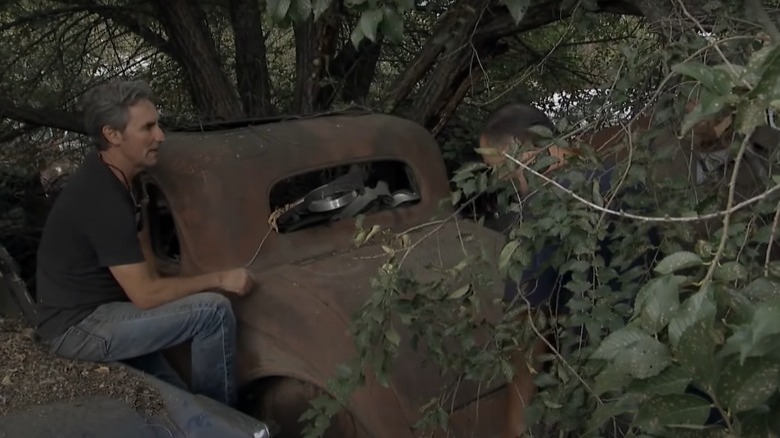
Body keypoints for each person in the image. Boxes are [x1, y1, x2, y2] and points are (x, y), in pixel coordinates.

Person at [34, 80, 255, 407]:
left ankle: (203, 420)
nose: (160, 136)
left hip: (105, 310)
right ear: (113, 134)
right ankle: (223, 423)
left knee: (175, 403)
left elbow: (144, 257)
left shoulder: (120, 178)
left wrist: (176, 289)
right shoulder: (101, 198)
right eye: (147, 127)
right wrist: (221, 279)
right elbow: (146, 295)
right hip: (79, 328)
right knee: (212, 311)